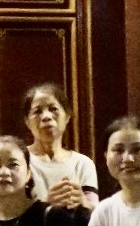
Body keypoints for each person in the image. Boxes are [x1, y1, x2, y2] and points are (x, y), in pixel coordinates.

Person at [22, 83, 99, 213]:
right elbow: (11, 213)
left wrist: (82, 202)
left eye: (53, 109)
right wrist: (47, 205)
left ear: (67, 116)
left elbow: (95, 216)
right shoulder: (19, 161)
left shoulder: (82, 164)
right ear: (27, 121)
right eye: (37, 111)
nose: (46, 117)